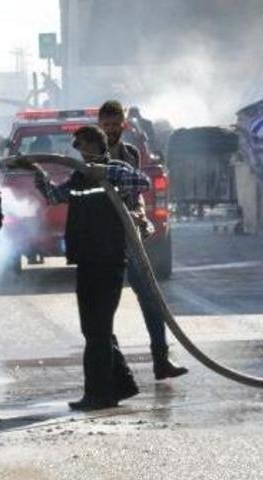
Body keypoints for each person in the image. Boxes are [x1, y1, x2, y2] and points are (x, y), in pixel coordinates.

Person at [32, 125, 149, 410]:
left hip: (109, 260)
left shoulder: (117, 170)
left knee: (98, 329)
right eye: (78, 147)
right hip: (86, 259)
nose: (80, 152)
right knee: (94, 328)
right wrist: (39, 177)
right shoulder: (78, 176)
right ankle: (122, 383)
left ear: (98, 146)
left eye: (84, 145)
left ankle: (98, 394)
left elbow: (142, 182)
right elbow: (55, 196)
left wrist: (105, 173)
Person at [97, 100, 188, 380]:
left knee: (151, 298)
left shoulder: (130, 153)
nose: (111, 130)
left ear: (123, 125)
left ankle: (161, 359)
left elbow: (135, 190)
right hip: (103, 240)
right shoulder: (90, 155)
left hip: (130, 237)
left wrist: (138, 215)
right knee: (103, 308)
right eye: (106, 125)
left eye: (115, 125)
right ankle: (109, 369)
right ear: (100, 125)